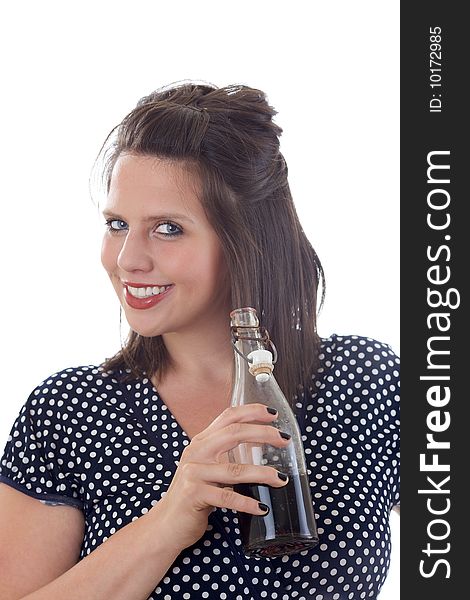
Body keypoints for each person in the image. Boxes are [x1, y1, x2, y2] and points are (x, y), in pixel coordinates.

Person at [0, 81, 400, 600]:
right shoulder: (71, 411)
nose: (127, 260)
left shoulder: (367, 382)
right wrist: (166, 523)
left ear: (244, 240)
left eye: (167, 229)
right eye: (118, 224)